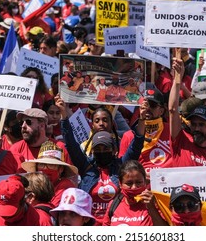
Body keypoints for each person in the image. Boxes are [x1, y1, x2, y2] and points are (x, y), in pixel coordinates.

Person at [56, 94, 145, 225]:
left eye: (106, 148)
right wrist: (64, 114)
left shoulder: (122, 167)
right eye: (98, 149)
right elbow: (70, 142)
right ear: (92, 150)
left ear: (115, 150)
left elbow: (137, 144)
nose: (101, 152)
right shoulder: (85, 166)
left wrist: (142, 118)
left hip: (116, 224)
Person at [168, 58, 206, 172]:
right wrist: (177, 80)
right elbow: (172, 110)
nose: (197, 128)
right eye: (194, 124)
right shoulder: (181, 143)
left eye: (201, 125)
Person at [119, 85, 172, 180]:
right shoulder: (129, 136)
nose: (147, 108)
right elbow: (121, 169)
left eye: (152, 105)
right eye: (144, 105)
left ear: (161, 111)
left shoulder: (172, 132)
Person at [102, 160, 168, 226]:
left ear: (145, 182)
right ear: (120, 184)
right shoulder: (113, 205)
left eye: (138, 182)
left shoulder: (155, 203)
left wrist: (151, 208)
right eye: (129, 183)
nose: (134, 187)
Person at [21, 140, 78, 207]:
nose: (45, 168)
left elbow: (50, 210)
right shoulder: (33, 185)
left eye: (51, 164)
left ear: (61, 169)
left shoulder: (66, 187)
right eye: (42, 164)